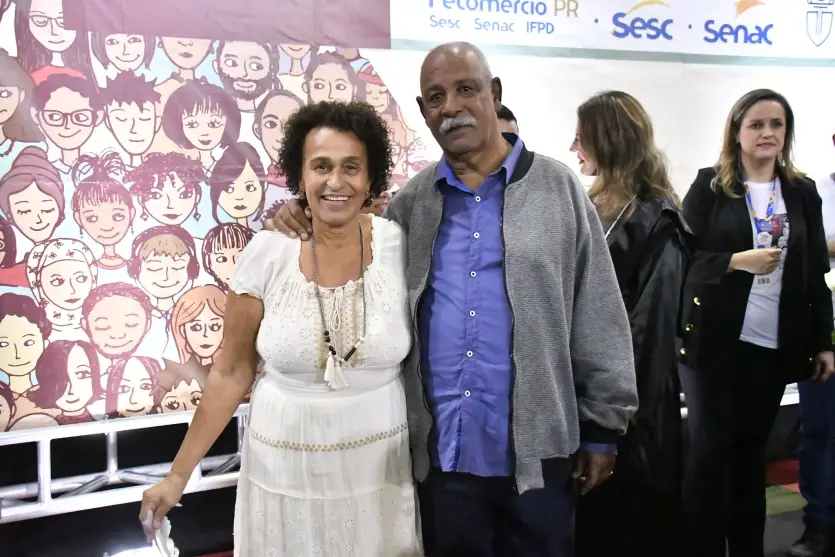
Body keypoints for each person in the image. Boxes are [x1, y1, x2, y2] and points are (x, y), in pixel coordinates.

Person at [268, 42, 638, 555]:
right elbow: (349, 256)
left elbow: (597, 312)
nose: (452, 107)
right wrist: (301, 216)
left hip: (538, 458)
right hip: (440, 463)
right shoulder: (410, 206)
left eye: (466, 89)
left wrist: (603, 427)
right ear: (423, 111)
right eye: (437, 97)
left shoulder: (559, 190)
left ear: (494, 94)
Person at [139, 101, 423, 556]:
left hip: (379, 470)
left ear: (371, 178)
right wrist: (177, 476)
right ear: (299, 175)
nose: (335, 181)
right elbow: (231, 373)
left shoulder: (398, 244)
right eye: (321, 166)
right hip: (283, 469)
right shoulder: (267, 252)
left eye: (351, 167)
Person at [679, 88, 835, 557]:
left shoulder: (801, 192)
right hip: (713, 343)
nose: (768, 133)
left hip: (771, 344)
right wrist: (735, 261)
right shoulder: (711, 186)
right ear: (736, 132)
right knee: (709, 453)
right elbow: (682, 259)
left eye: (777, 125)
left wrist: (824, 342)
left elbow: (814, 275)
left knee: (750, 456)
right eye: (757, 124)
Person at [568, 90, 690, 556]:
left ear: (609, 139)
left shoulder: (658, 220)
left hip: (632, 415)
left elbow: (651, 331)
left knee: (628, 528)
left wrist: (613, 413)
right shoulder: (588, 207)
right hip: (585, 399)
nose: (573, 147)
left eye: (581, 137)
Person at [790, 133, 835, 557]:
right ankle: (818, 523)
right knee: (819, 430)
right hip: (825, 334)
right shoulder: (812, 192)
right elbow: (803, 257)